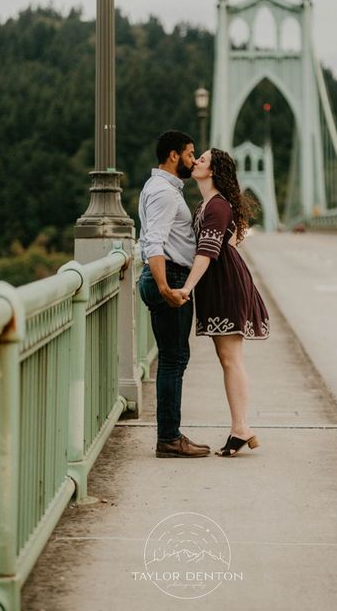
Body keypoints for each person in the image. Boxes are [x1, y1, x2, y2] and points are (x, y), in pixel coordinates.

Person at [176, 148, 270, 458]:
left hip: (225, 285)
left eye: (202, 160)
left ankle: (241, 428)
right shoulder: (208, 205)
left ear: (213, 171)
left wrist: (188, 286)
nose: (196, 162)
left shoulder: (216, 206)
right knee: (227, 357)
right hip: (222, 283)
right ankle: (240, 426)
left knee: (231, 358)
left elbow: (207, 252)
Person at [138, 130, 210, 459]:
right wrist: (166, 287)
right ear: (172, 155)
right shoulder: (164, 193)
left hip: (169, 276)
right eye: (190, 153)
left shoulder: (159, 188)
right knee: (173, 359)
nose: (193, 160)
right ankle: (168, 438)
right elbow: (153, 242)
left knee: (173, 357)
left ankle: (170, 434)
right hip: (171, 277)